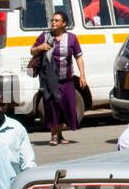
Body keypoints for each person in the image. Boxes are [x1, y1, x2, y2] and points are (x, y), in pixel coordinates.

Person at [30, 10, 87, 146]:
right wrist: (40, 47)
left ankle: (60, 135)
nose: (53, 23)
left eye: (56, 20)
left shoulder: (72, 38)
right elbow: (32, 50)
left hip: (66, 79)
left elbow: (78, 57)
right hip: (49, 79)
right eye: (52, 20)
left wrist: (82, 75)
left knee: (64, 106)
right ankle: (54, 135)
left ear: (64, 23)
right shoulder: (44, 36)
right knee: (51, 107)